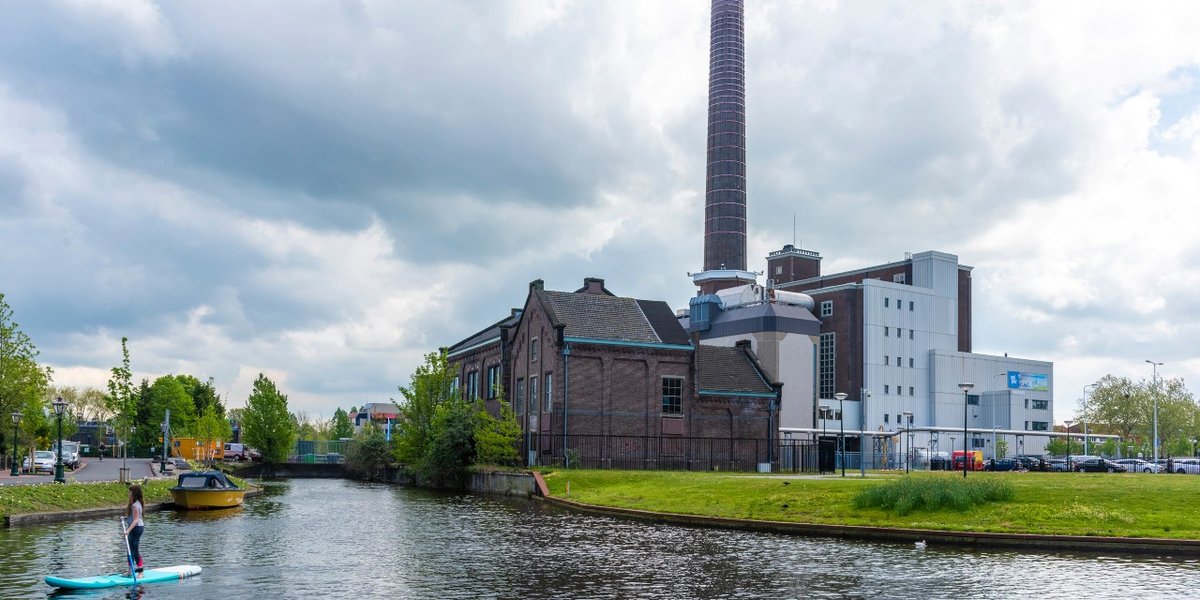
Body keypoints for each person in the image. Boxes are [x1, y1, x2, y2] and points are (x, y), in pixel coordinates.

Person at [124, 485, 145, 574]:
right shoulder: (136, 504)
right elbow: (134, 517)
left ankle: (140, 570)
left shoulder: (135, 506)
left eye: (130, 492)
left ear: (134, 493)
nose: (128, 493)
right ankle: (130, 570)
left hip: (136, 528)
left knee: (134, 549)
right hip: (136, 527)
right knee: (130, 549)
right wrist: (125, 518)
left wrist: (128, 530)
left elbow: (136, 520)